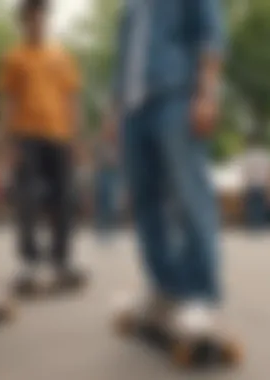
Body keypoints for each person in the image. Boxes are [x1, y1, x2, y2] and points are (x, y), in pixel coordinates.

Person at [105, 0, 225, 335]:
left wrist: (207, 94)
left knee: (189, 195)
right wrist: (114, 110)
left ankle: (200, 293)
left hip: (175, 95)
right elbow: (124, 55)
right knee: (145, 202)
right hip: (134, 107)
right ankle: (163, 287)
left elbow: (210, 33)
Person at [0, 0, 84, 289]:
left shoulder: (62, 56)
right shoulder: (14, 57)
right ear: (23, 21)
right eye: (31, 17)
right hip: (26, 136)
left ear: (47, 19)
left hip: (59, 136)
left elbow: (72, 99)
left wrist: (76, 139)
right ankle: (29, 261)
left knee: (64, 198)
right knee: (27, 200)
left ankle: (61, 259)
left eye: (41, 17)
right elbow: (7, 101)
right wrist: (7, 142)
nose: (37, 22)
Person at [242, 135, 270, 229]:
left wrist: (245, 185)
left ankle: (253, 225)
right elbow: (267, 173)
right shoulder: (264, 156)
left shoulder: (247, 156)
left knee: (252, 206)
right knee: (260, 206)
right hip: (261, 184)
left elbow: (245, 172)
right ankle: (259, 225)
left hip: (251, 184)